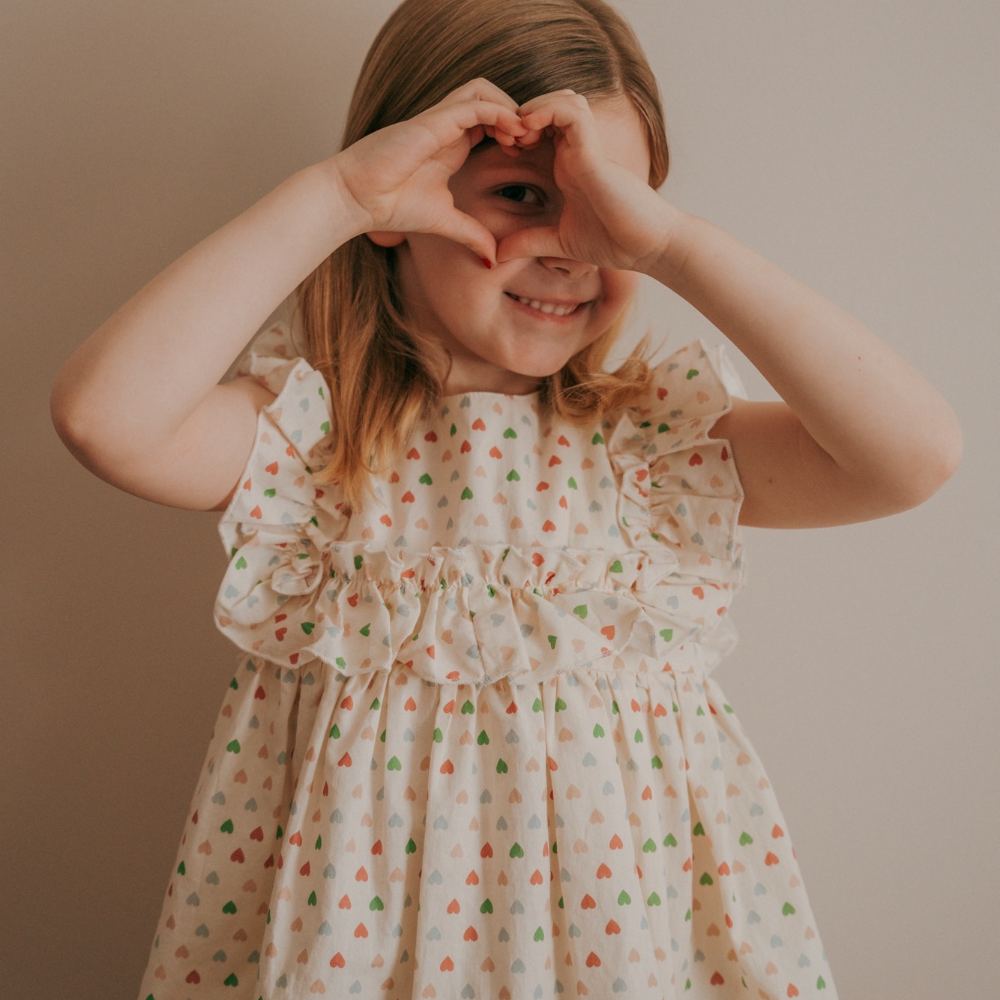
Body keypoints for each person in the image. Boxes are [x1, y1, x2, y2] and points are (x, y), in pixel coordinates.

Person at [50, 1, 962, 998]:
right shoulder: (310, 446)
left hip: (617, 957)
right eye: (522, 193)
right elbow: (106, 419)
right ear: (402, 204)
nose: (569, 246)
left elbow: (910, 455)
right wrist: (340, 195)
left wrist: (668, 246)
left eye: (606, 208)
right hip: (356, 957)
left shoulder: (652, 448)